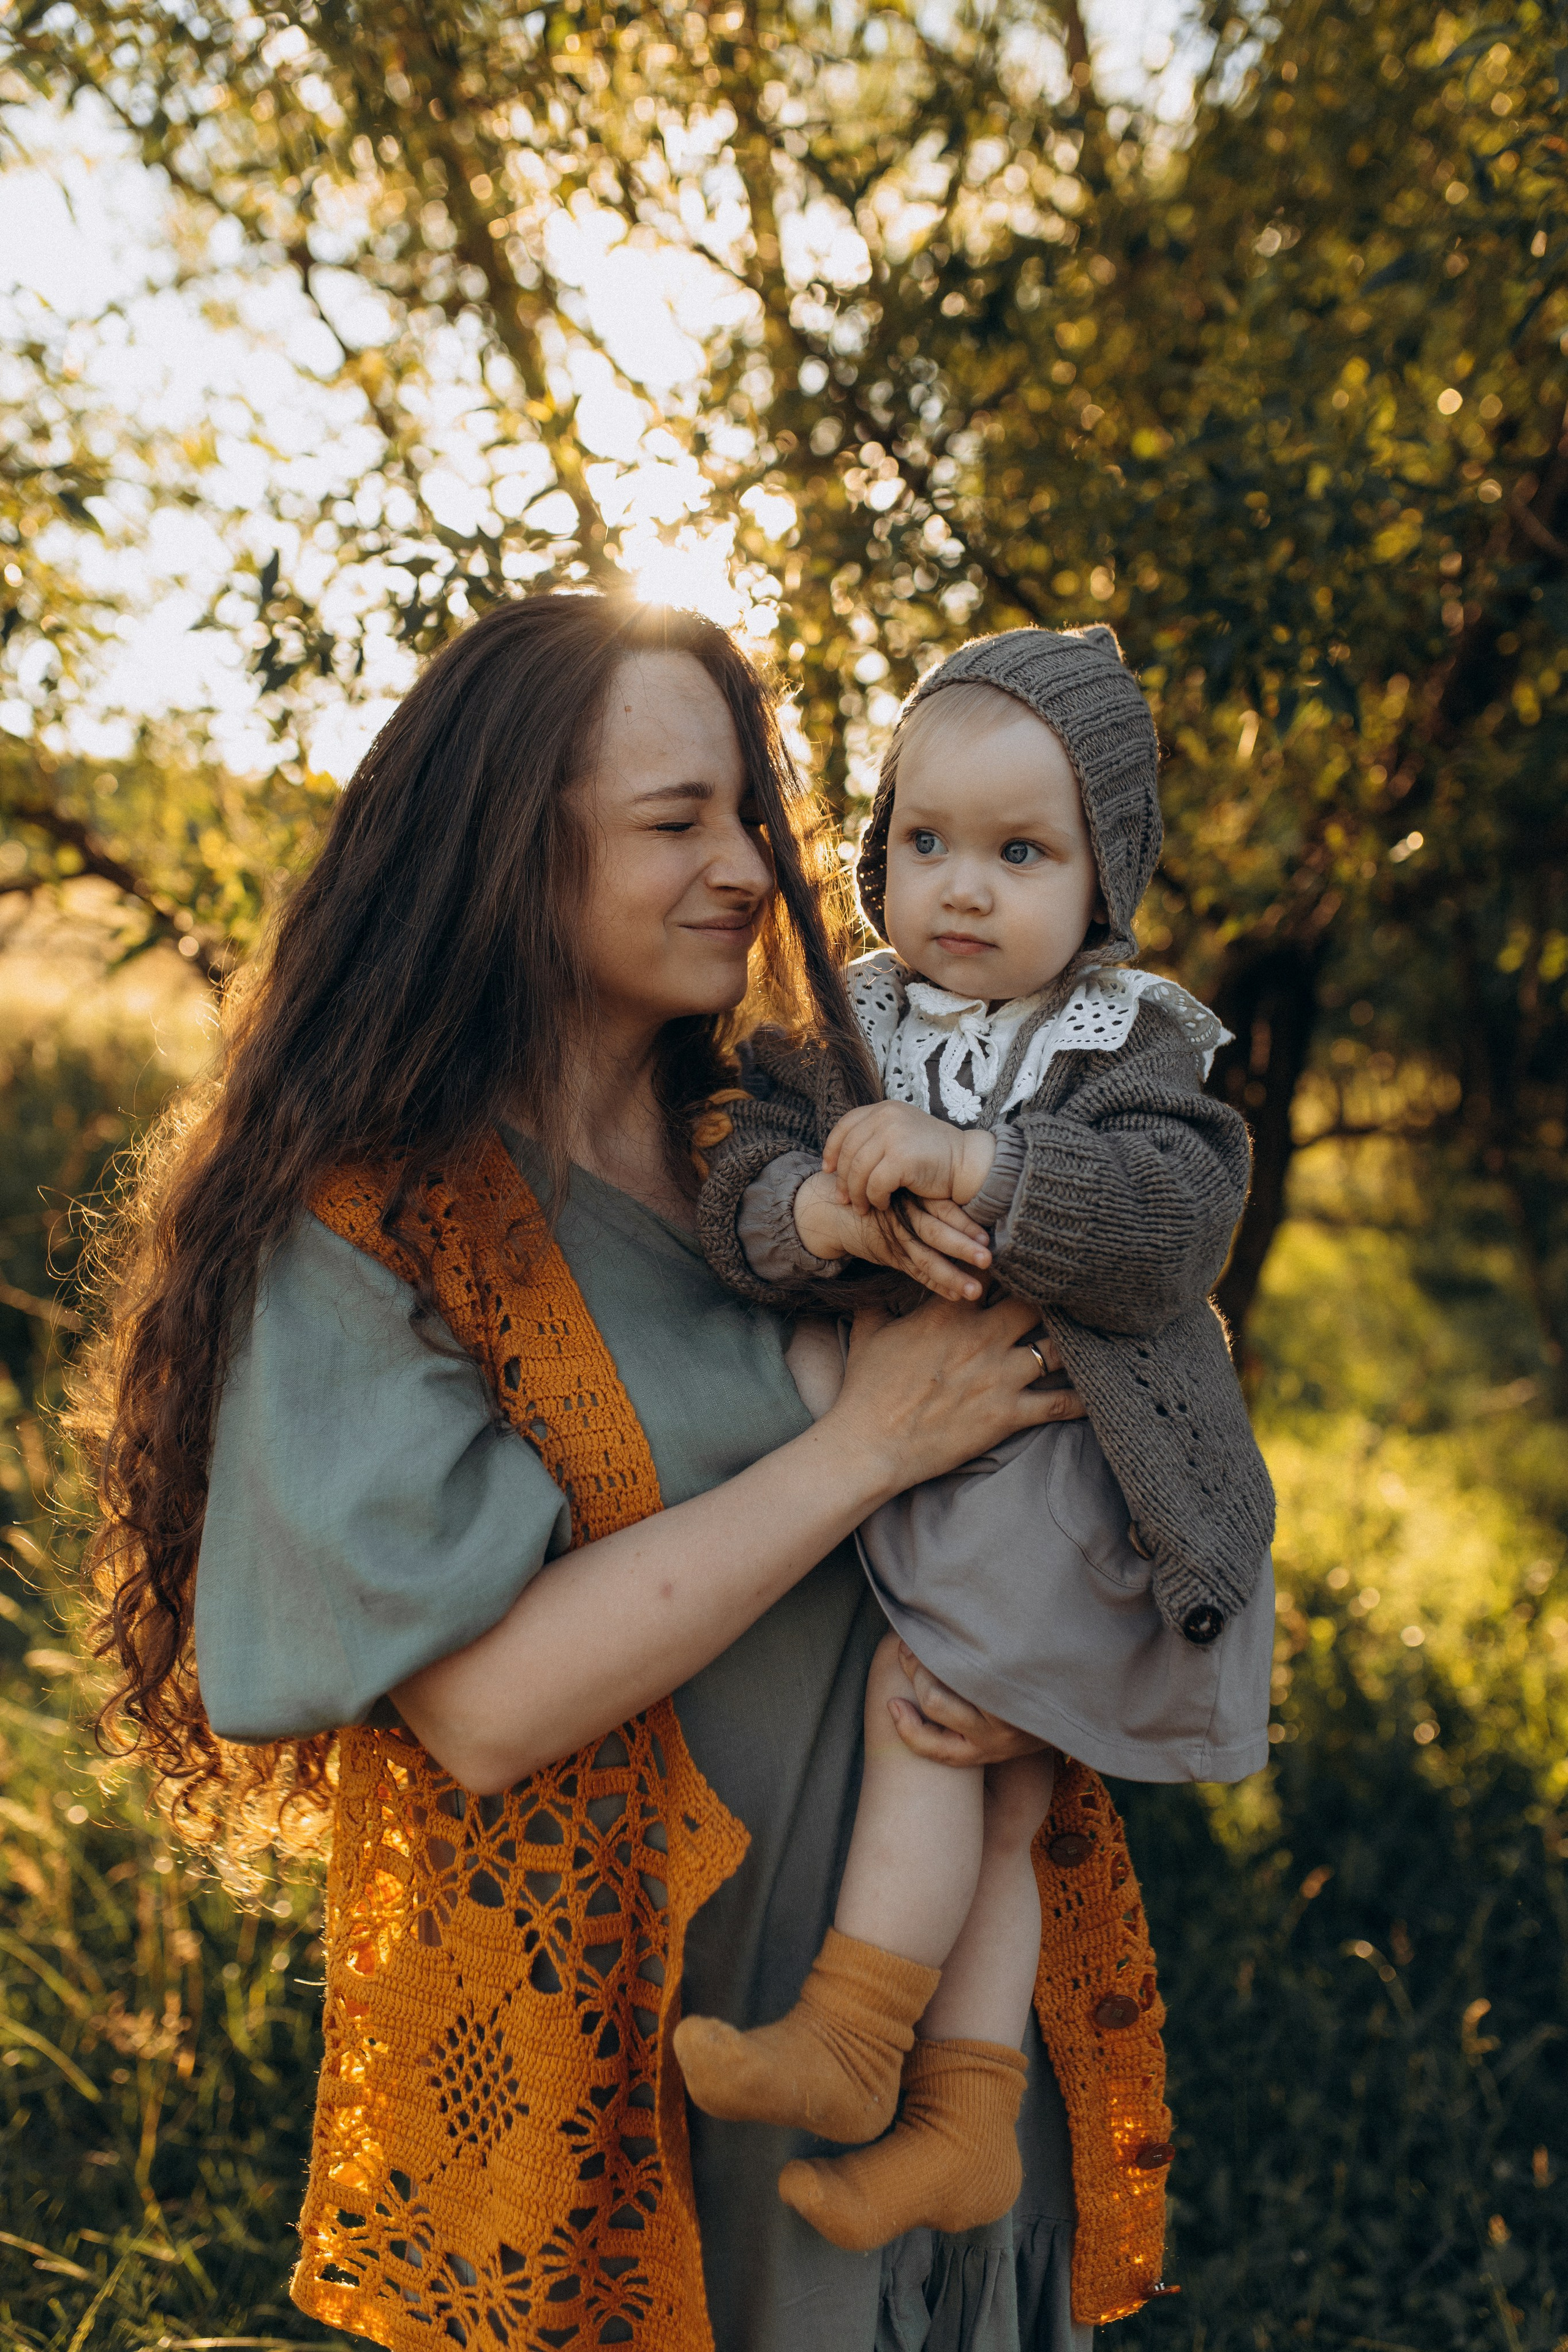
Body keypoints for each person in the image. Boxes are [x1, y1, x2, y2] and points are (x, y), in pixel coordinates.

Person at [74, 594, 1155, 2352]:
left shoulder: (795, 1148)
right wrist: (873, 1442)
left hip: (927, 2031)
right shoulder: (380, 1222)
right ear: (509, 850)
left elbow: (1104, 1414)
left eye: (750, 813)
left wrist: (1058, 1669)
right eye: (676, 822)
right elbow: (487, 1707)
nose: (746, 864)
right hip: (643, 2087)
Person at [680, 625, 1277, 2253]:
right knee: (1006, 1809)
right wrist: (817, 1210)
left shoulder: (1129, 1038)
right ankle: (963, 2118)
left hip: (1083, 1484)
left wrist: (989, 1170)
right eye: (926, 842)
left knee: (929, 1708)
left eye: (1023, 852)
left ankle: (853, 2034)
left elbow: (1175, 1222)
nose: (963, 889)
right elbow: (736, 1179)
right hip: (947, 1475)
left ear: (1105, 879)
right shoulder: (846, 1018)